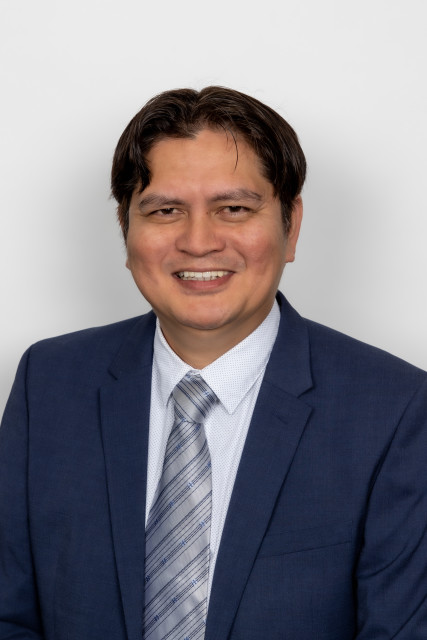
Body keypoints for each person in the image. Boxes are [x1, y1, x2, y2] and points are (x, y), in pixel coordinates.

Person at [1, 87, 426, 640]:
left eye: (234, 209)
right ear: (125, 228)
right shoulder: (48, 382)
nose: (198, 242)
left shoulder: (395, 410)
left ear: (291, 225)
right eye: (165, 210)